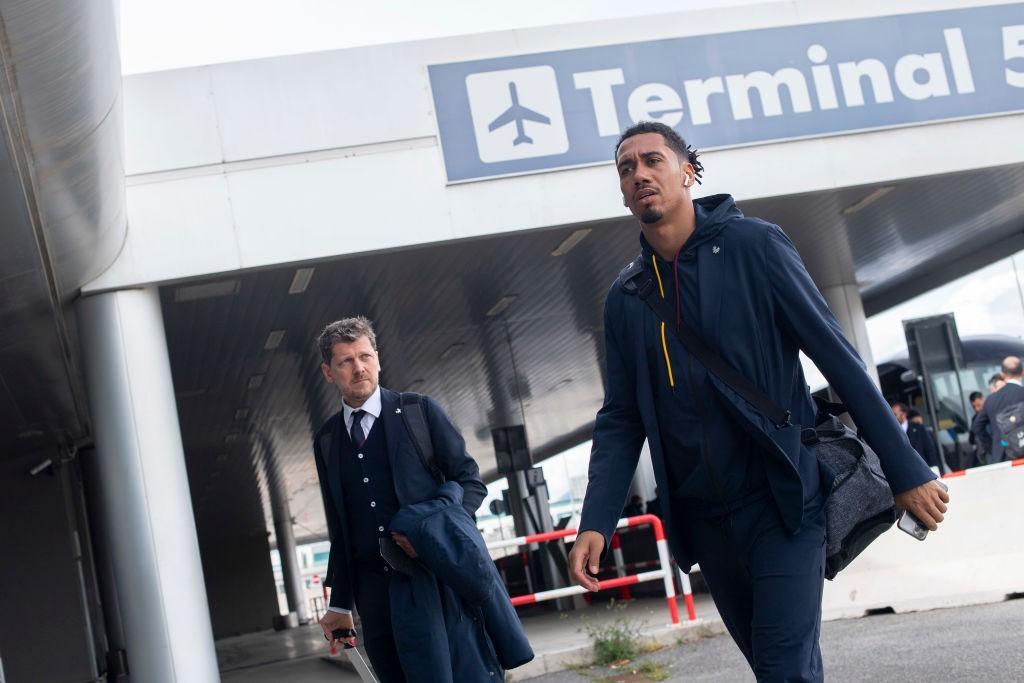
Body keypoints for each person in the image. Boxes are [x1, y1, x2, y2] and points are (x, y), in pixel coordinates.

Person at [567, 121, 948, 682]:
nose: (639, 174)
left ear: (688, 172)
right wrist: (596, 520)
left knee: (782, 670)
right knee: (782, 669)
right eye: (626, 168)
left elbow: (838, 358)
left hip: (783, 500)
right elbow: (621, 418)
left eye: (653, 160)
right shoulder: (625, 298)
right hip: (704, 520)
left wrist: (905, 469)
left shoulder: (755, 246)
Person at [312, 316, 496, 682]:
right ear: (328, 372)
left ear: (378, 359)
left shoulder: (419, 412)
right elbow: (341, 528)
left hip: (430, 580)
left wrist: (434, 537)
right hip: (373, 595)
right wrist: (340, 603)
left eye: (364, 356)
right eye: (345, 361)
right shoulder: (327, 439)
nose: (358, 367)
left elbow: (470, 482)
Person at [972, 356, 1024, 465]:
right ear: (1022, 372)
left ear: (1002, 374)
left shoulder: (991, 399)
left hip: (1002, 456)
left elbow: (977, 426)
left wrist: (992, 446)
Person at [891, 402, 940, 468]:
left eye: (895, 414)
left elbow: (930, 451)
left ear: (904, 415)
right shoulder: (892, 432)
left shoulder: (919, 428)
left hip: (922, 471)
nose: (892, 418)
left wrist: (934, 470)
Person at [967, 391, 985, 468]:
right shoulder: (975, 419)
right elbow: (971, 439)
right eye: (974, 407)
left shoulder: (991, 414)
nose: (977, 409)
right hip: (982, 454)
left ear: (983, 400)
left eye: (978, 405)